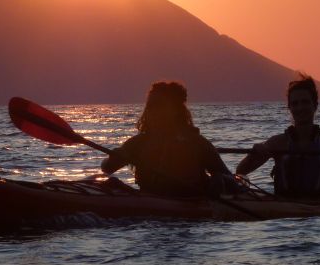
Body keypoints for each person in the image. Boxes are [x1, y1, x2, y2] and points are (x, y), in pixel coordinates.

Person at [235, 75, 320, 198]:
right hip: (284, 212)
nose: (300, 108)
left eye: (305, 102)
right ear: (289, 108)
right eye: (295, 103)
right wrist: (253, 154)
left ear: (315, 105)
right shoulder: (277, 142)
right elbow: (241, 171)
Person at [100, 81, 234, 197]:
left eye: (159, 105)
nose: (152, 111)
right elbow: (107, 169)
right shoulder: (139, 143)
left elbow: (229, 178)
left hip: (189, 201)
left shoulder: (196, 142)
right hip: (150, 203)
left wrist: (218, 179)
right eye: (150, 106)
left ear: (176, 110)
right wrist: (115, 157)